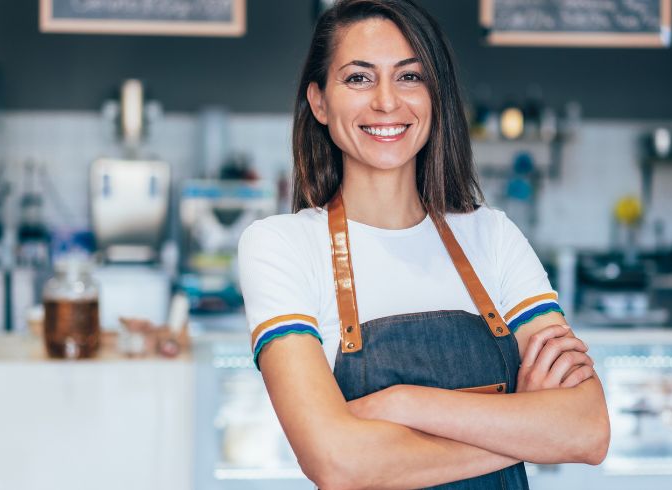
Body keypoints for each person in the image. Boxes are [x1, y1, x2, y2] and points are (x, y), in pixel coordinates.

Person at [237, 0, 610, 488]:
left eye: (410, 77)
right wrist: (521, 420)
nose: (387, 101)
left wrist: (401, 403)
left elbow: (588, 430)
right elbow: (336, 463)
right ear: (320, 102)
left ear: (436, 95)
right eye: (358, 78)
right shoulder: (281, 246)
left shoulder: (492, 237)